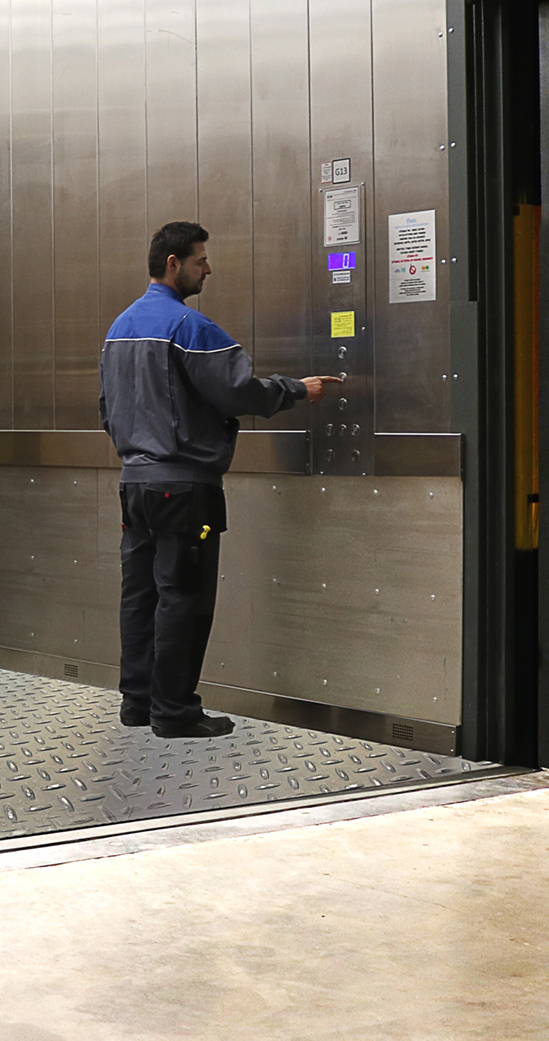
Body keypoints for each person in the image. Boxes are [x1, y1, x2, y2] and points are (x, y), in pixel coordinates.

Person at [98, 222, 341, 738]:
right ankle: (174, 712)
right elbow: (238, 391)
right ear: (173, 264)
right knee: (183, 596)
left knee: (140, 596)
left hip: (134, 487)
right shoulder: (189, 326)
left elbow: (107, 407)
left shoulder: (119, 328)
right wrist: (297, 389)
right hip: (185, 490)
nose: (208, 269)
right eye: (200, 260)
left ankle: (137, 703)